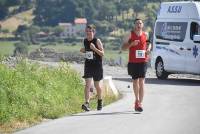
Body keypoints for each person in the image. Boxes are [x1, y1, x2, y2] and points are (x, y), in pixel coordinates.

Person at [121, 18, 151, 112]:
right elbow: (123, 48)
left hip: (143, 61)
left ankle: (139, 103)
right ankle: (136, 100)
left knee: (142, 81)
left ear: (142, 25)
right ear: (134, 25)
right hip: (133, 62)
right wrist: (131, 44)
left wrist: (148, 49)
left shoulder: (145, 34)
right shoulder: (130, 34)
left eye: (140, 23)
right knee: (135, 82)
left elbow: (148, 43)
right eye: (137, 23)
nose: (139, 25)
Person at [80, 25, 104, 111]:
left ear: (93, 32)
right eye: (87, 31)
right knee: (87, 85)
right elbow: (87, 50)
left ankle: (100, 101)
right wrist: (83, 50)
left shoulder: (97, 41)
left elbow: (102, 54)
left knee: (97, 85)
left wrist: (94, 49)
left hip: (97, 65)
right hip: (88, 65)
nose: (88, 33)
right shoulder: (85, 41)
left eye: (90, 31)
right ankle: (87, 103)